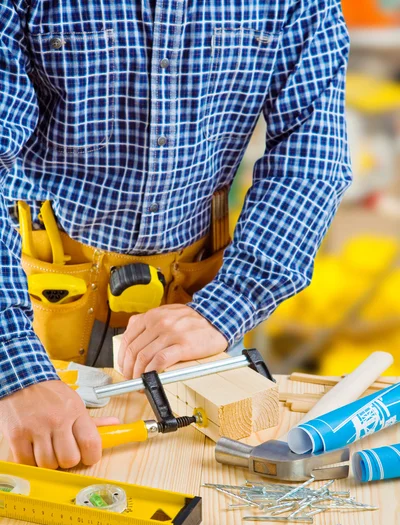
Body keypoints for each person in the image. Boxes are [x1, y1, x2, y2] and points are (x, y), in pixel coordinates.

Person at [0, 0, 352, 469]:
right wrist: (15, 371)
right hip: (39, 287)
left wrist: (230, 302)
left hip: (197, 300)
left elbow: (311, 159)